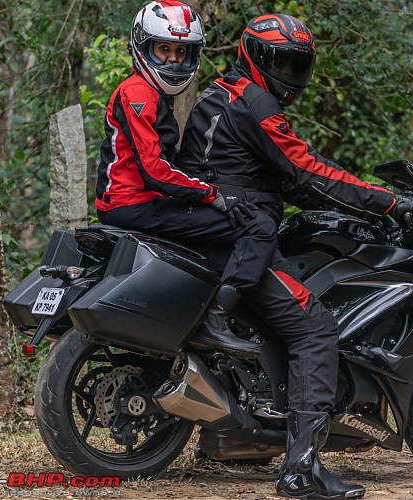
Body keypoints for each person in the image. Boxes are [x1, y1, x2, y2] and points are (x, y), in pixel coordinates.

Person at [178, 13, 413, 499]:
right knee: (314, 328)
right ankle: (300, 471)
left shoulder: (220, 93)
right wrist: (389, 201)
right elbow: (305, 168)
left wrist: (354, 204)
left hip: (212, 228)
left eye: (297, 63)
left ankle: (229, 431)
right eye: (281, 62)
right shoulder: (255, 103)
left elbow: (279, 178)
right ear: (254, 56)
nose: (289, 73)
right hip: (234, 235)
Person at [94, 0, 276, 359]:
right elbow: (155, 170)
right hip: (135, 205)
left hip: (135, 203)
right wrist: (211, 195)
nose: (173, 61)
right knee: (259, 226)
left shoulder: (149, 93)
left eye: (181, 51)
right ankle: (216, 318)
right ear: (143, 47)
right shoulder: (137, 93)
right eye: (164, 49)